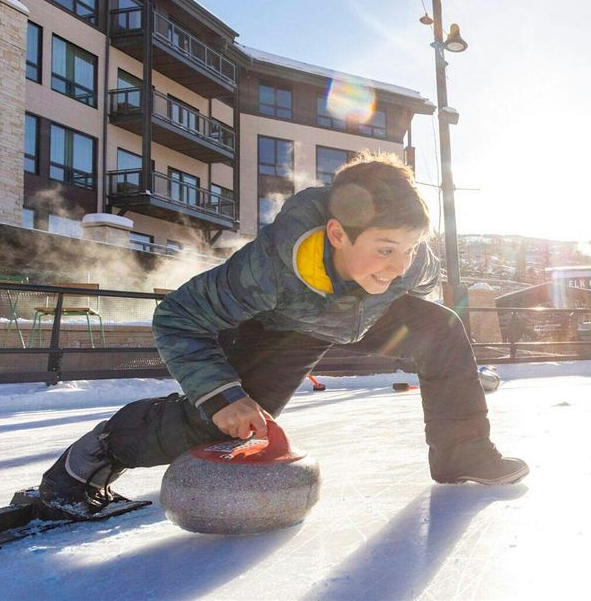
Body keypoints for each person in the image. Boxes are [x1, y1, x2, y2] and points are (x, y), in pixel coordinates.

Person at [37, 152, 528, 519]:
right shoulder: (270, 268)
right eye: (384, 250)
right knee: (224, 421)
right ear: (337, 234)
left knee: (440, 326)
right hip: (278, 329)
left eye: (409, 249)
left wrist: (423, 332)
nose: (399, 265)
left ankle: (462, 451)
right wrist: (223, 394)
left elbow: (421, 279)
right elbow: (177, 317)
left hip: (357, 313)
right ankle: (93, 456)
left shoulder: (409, 263)